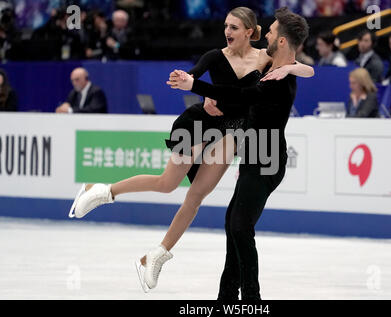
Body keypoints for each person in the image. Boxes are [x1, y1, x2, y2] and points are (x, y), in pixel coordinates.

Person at [68, 7, 314, 292]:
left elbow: (306, 68)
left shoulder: (265, 57)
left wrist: (291, 67)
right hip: (197, 124)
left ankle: (155, 257)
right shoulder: (214, 56)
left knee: (196, 196)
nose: (228, 32)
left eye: (234, 27)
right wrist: (194, 86)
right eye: (226, 26)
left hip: (232, 132)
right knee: (167, 183)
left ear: (250, 31)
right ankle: (101, 191)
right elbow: (191, 77)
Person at [168, 7, 309, 300]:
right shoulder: (274, 67)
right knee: (234, 223)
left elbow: (240, 96)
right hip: (255, 155)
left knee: (240, 226)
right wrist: (295, 66)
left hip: (267, 160)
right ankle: (228, 295)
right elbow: (308, 68)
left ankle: (252, 298)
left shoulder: (278, 79)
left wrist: (197, 85)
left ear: (281, 41)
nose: (265, 34)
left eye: (270, 31)